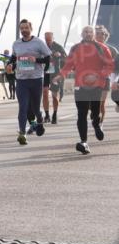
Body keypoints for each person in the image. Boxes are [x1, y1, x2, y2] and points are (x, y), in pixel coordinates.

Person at [53, 25, 113, 154]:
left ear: (93, 34)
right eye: (85, 31)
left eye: (90, 31)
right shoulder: (75, 48)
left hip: (97, 85)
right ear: (82, 34)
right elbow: (68, 65)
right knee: (82, 113)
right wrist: (60, 75)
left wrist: (97, 76)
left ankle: (96, 125)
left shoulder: (102, 48)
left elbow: (109, 66)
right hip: (80, 85)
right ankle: (84, 142)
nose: (88, 33)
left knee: (95, 111)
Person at [11, 19, 52, 145]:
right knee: (23, 107)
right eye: (22, 28)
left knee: (35, 107)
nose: (24, 30)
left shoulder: (38, 42)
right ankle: (22, 133)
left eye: (26, 28)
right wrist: (10, 65)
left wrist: (36, 60)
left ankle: (39, 120)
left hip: (36, 79)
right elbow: (13, 58)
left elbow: (48, 59)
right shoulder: (16, 44)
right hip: (21, 80)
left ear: (31, 28)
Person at [94, 26, 119, 121]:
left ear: (106, 36)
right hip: (90, 79)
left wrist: (115, 81)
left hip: (106, 78)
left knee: (101, 103)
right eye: (97, 33)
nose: (100, 35)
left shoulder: (112, 50)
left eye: (102, 34)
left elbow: (117, 67)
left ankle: (100, 123)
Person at [41, 31, 66, 124]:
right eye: (46, 39)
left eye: (49, 40)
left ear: (53, 38)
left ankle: (55, 114)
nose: (47, 41)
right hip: (45, 72)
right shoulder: (42, 46)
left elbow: (65, 58)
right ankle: (47, 115)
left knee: (54, 95)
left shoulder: (58, 46)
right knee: (45, 93)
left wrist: (59, 55)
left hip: (55, 73)